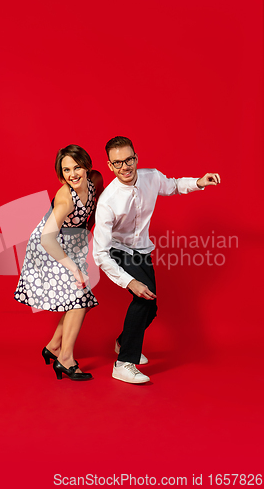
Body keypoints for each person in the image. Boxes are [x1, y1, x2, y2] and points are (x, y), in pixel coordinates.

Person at [93, 136, 220, 384]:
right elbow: (100, 253)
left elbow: (172, 185)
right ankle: (123, 363)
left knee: (151, 308)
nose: (125, 167)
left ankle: (123, 342)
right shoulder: (108, 201)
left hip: (142, 250)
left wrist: (198, 182)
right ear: (110, 166)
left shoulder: (150, 176)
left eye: (128, 159)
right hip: (117, 251)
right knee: (142, 298)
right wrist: (129, 282)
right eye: (117, 163)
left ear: (136, 158)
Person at [15, 145, 103, 381]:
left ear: (87, 166)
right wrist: (74, 268)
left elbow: (94, 212)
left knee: (77, 299)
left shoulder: (95, 180)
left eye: (77, 167)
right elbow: (47, 238)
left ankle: (54, 347)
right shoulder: (66, 199)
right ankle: (65, 359)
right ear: (60, 173)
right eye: (66, 170)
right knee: (79, 297)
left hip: (72, 244)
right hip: (48, 248)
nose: (72, 175)